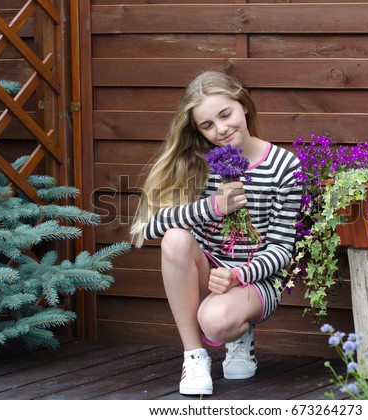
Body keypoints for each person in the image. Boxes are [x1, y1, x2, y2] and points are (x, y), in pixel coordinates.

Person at [130, 70, 302, 396]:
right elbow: (150, 228)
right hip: (206, 268)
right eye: (207, 125)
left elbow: (282, 249)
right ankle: (194, 356)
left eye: (226, 114)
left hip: (256, 278)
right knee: (176, 238)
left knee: (216, 321)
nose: (221, 129)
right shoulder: (198, 161)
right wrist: (213, 208)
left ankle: (239, 335)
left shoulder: (285, 166)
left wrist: (238, 275)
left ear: (243, 105)